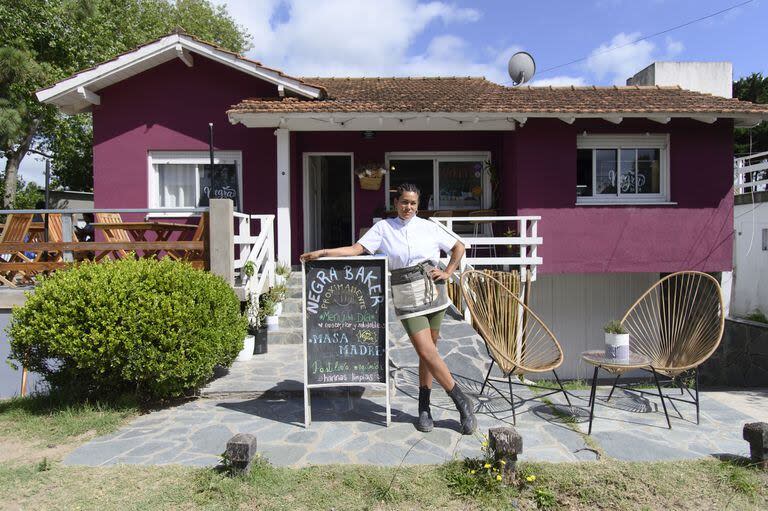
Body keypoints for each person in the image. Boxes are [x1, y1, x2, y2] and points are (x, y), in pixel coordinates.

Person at [300, 183, 476, 434]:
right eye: (404, 202)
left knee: (429, 354)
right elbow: (357, 249)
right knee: (426, 350)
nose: (409, 207)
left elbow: (458, 246)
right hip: (406, 294)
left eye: (413, 203)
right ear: (396, 203)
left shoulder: (429, 227)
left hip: (434, 292)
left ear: (419, 204)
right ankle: (461, 400)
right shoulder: (383, 228)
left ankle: (424, 407)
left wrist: (448, 271)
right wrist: (324, 252)